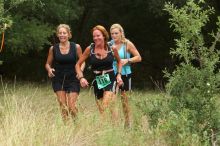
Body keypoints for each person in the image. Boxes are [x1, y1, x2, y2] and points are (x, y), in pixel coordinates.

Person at [75, 25, 123, 121]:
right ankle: (113, 127)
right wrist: (81, 78)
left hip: (110, 77)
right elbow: (77, 65)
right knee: (102, 109)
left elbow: (119, 62)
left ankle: (108, 127)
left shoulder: (111, 48)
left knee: (105, 105)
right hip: (98, 79)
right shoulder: (90, 49)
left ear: (104, 36)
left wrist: (119, 74)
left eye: (98, 35)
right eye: (94, 36)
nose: (96, 38)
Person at [45, 24, 84, 121]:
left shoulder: (76, 47)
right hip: (58, 78)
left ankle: (77, 125)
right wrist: (49, 69)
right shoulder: (53, 48)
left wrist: (80, 72)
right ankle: (66, 130)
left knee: (71, 107)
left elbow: (82, 62)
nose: (62, 35)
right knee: (63, 107)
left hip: (73, 78)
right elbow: (47, 64)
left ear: (69, 34)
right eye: (60, 33)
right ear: (57, 35)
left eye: (64, 33)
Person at [110, 23, 142, 127]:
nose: (114, 35)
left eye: (116, 33)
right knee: (111, 99)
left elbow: (138, 57)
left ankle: (127, 124)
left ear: (121, 33)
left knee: (125, 101)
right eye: (112, 34)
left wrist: (127, 60)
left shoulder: (127, 44)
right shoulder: (109, 44)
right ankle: (114, 124)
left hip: (125, 74)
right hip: (111, 74)